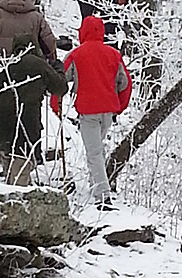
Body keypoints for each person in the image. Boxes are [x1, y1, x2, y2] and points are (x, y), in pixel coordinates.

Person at [52, 16, 132, 210]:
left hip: (88, 111)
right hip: (108, 111)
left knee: (94, 152)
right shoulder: (114, 54)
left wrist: (56, 105)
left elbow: (59, 81)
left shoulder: (76, 55)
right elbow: (125, 83)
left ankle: (102, 196)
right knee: (97, 150)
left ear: (83, 31)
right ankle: (96, 186)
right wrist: (119, 106)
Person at [0, 34, 68, 185]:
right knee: (21, 164)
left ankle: (9, 196)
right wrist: (58, 69)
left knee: (8, 161)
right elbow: (61, 88)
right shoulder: (39, 65)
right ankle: (16, 199)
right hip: (26, 120)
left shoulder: (3, 61)